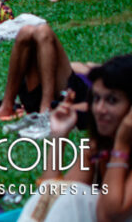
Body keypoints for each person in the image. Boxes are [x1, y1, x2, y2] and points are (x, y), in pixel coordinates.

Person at [18, 54, 132, 221]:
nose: (100, 109)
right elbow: (54, 195)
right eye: (97, 98)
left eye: (112, 100)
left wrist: (121, 147)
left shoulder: (119, 147)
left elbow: (109, 214)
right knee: (67, 193)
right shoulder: (97, 147)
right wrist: (59, 136)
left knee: (75, 197)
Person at [0, 24, 95, 119]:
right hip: (52, 90)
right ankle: (8, 106)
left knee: (43, 31)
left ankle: (46, 106)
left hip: (71, 95)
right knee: (26, 31)